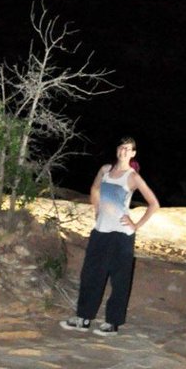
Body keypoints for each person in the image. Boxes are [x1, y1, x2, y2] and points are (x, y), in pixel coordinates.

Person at [60, 136, 159, 336]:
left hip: (122, 235)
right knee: (90, 275)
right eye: (121, 147)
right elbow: (94, 189)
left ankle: (112, 323)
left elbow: (154, 204)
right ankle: (84, 317)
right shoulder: (105, 170)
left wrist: (136, 224)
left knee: (119, 279)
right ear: (117, 150)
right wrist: (97, 209)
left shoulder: (133, 177)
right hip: (101, 231)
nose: (123, 151)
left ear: (133, 154)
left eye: (128, 149)